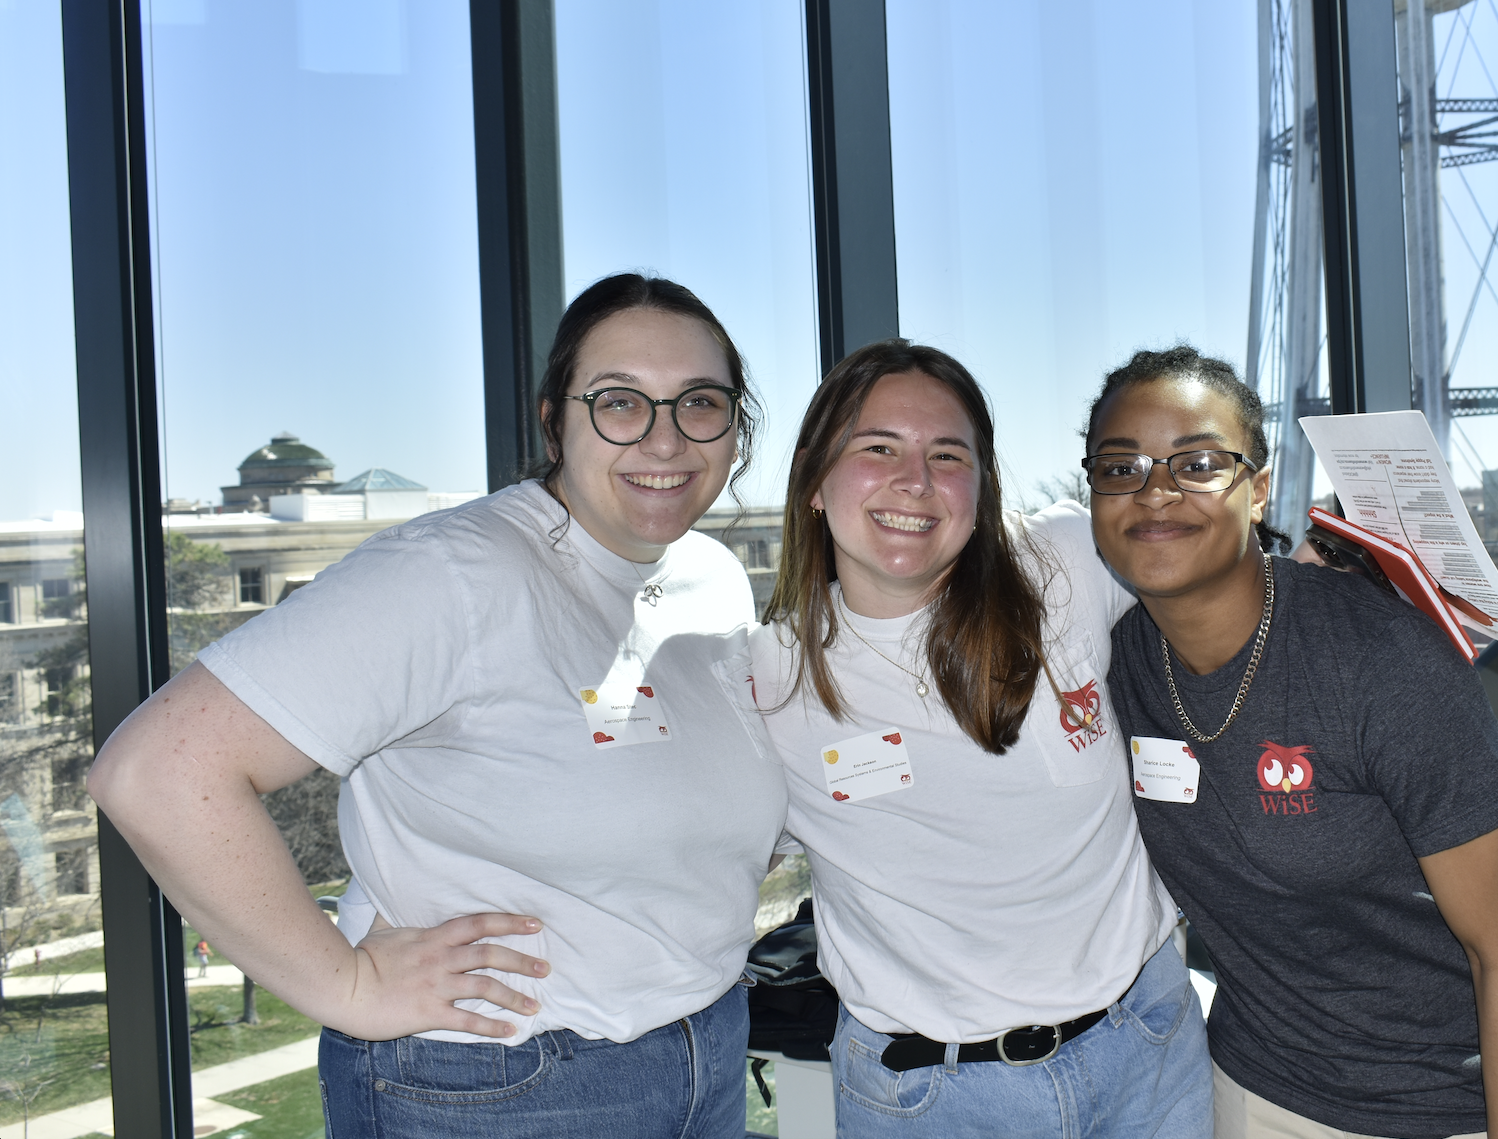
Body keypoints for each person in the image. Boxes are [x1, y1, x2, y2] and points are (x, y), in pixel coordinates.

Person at [88, 274, 786, 1138]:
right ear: (553, 419)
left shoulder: (710, 578)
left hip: (705, 1053)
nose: (665, 437)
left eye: (700, 403)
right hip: (503, 1085)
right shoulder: (454, 574)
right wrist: (345, 984)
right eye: (619, 402)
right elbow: (158, 771)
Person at [1085, 347, 1498, 1139]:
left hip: (1434, 1108)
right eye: (1121, 466)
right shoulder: (1117, 656)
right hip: (1250, 1090)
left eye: (1197, 462)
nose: (1156, 491)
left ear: (1259, 486)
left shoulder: (1381, 660)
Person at [748, 340, 1212, 1139]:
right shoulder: (766, 681)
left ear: (982, 485)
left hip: (1150, 1052)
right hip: (937, 1102)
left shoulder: (1063, 561)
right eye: (878, 447)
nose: (915, 480)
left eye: (947, 454)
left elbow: (1220, 549)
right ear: (815, 481)